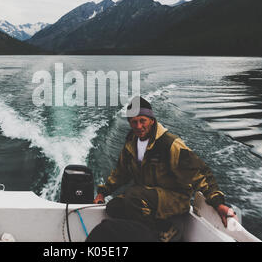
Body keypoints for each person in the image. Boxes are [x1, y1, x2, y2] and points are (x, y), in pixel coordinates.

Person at [93, 96, 236, 241]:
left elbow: (201, 174)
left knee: (133, 196)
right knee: (113, 207)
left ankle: (160, 233)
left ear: (152, 120)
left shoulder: (170, 144)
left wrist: (219, 204)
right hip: (148, 196)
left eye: (142, 120)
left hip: (175, 198)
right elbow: (121, 172)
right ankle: (153, 227)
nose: (138, 126)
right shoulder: (131, 144)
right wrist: (103, 192)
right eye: (134, 122)